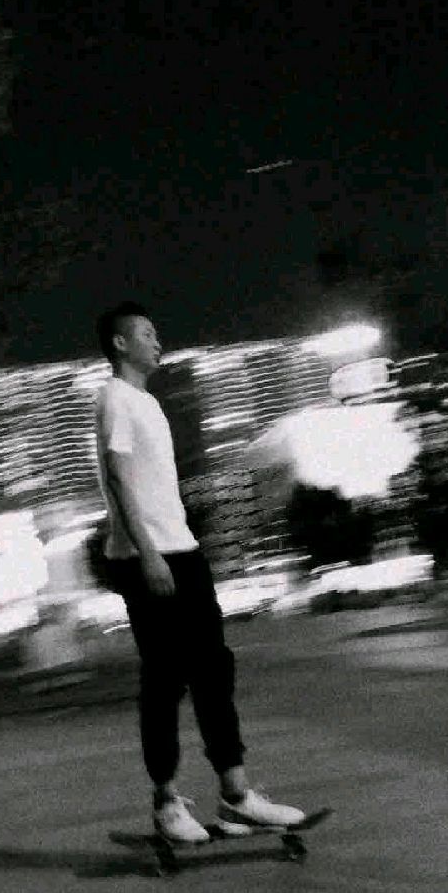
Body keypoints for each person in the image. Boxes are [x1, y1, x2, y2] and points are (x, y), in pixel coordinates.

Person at [93, 301, 305, 843]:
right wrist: (148, 553)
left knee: (213, 670)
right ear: (120, 343)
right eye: (146, 333)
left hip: (181, 551)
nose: (157, 340)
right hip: (145, 556)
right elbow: (117, 479)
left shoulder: (147, 401)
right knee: (164, 679)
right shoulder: (115, 397)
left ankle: (237, 796)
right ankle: (166, 802)